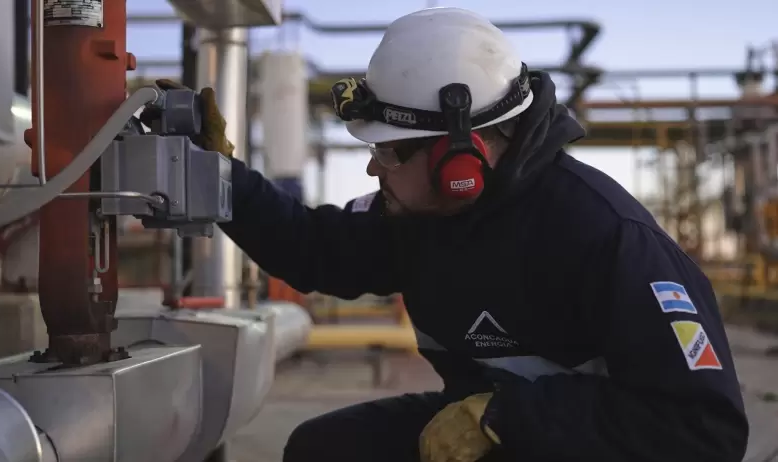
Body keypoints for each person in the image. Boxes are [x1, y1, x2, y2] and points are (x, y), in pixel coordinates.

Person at [147, 7, 749, 462]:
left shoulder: (604, 236)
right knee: (324, 450)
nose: (372, 168)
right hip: (493, 427)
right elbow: (313, 247)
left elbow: (702, 427)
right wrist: (218, 176)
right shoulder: (421, 215)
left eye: (390, 152)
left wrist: (507, 417)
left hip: (572, 444)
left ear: (463, 160)